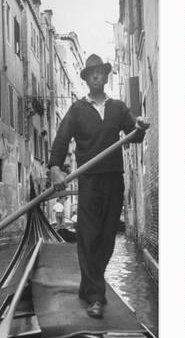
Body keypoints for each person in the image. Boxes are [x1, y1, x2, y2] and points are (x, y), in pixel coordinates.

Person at [48, 53, 150, 319]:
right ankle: (96, 295)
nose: (95, 76)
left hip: (114, 178)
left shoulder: (118, 108)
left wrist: (140, 127)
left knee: (106, 238)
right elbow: (61, 139)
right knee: (88, 235)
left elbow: (134, 135)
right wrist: (55, 168)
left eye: (100, 72)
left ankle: (88, 285)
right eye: (90, 73)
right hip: (89, 179)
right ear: (86, 79)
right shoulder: (77, 109)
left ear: (105, 76)